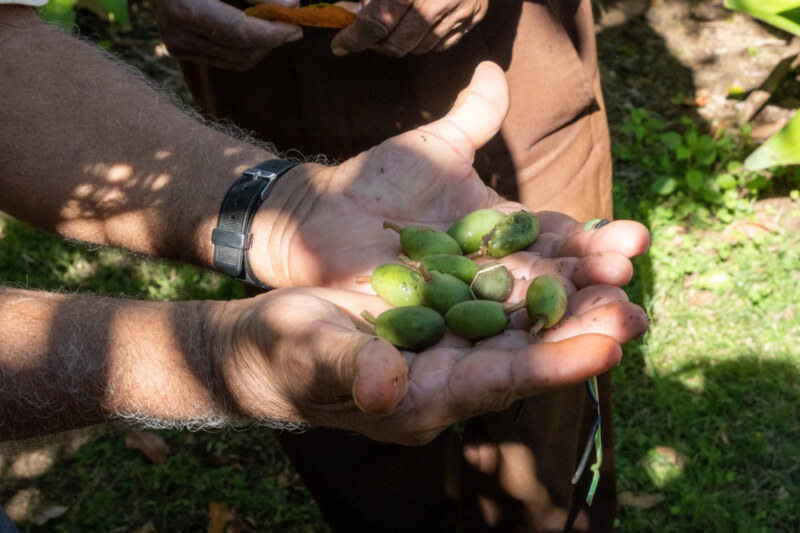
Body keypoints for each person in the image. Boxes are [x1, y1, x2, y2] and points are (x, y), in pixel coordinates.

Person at [0, 2, 649, 531]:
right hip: (267, 66)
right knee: (354, 414)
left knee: (542, 424)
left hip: (489, 45)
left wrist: (282, 208)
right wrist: (219, 357)